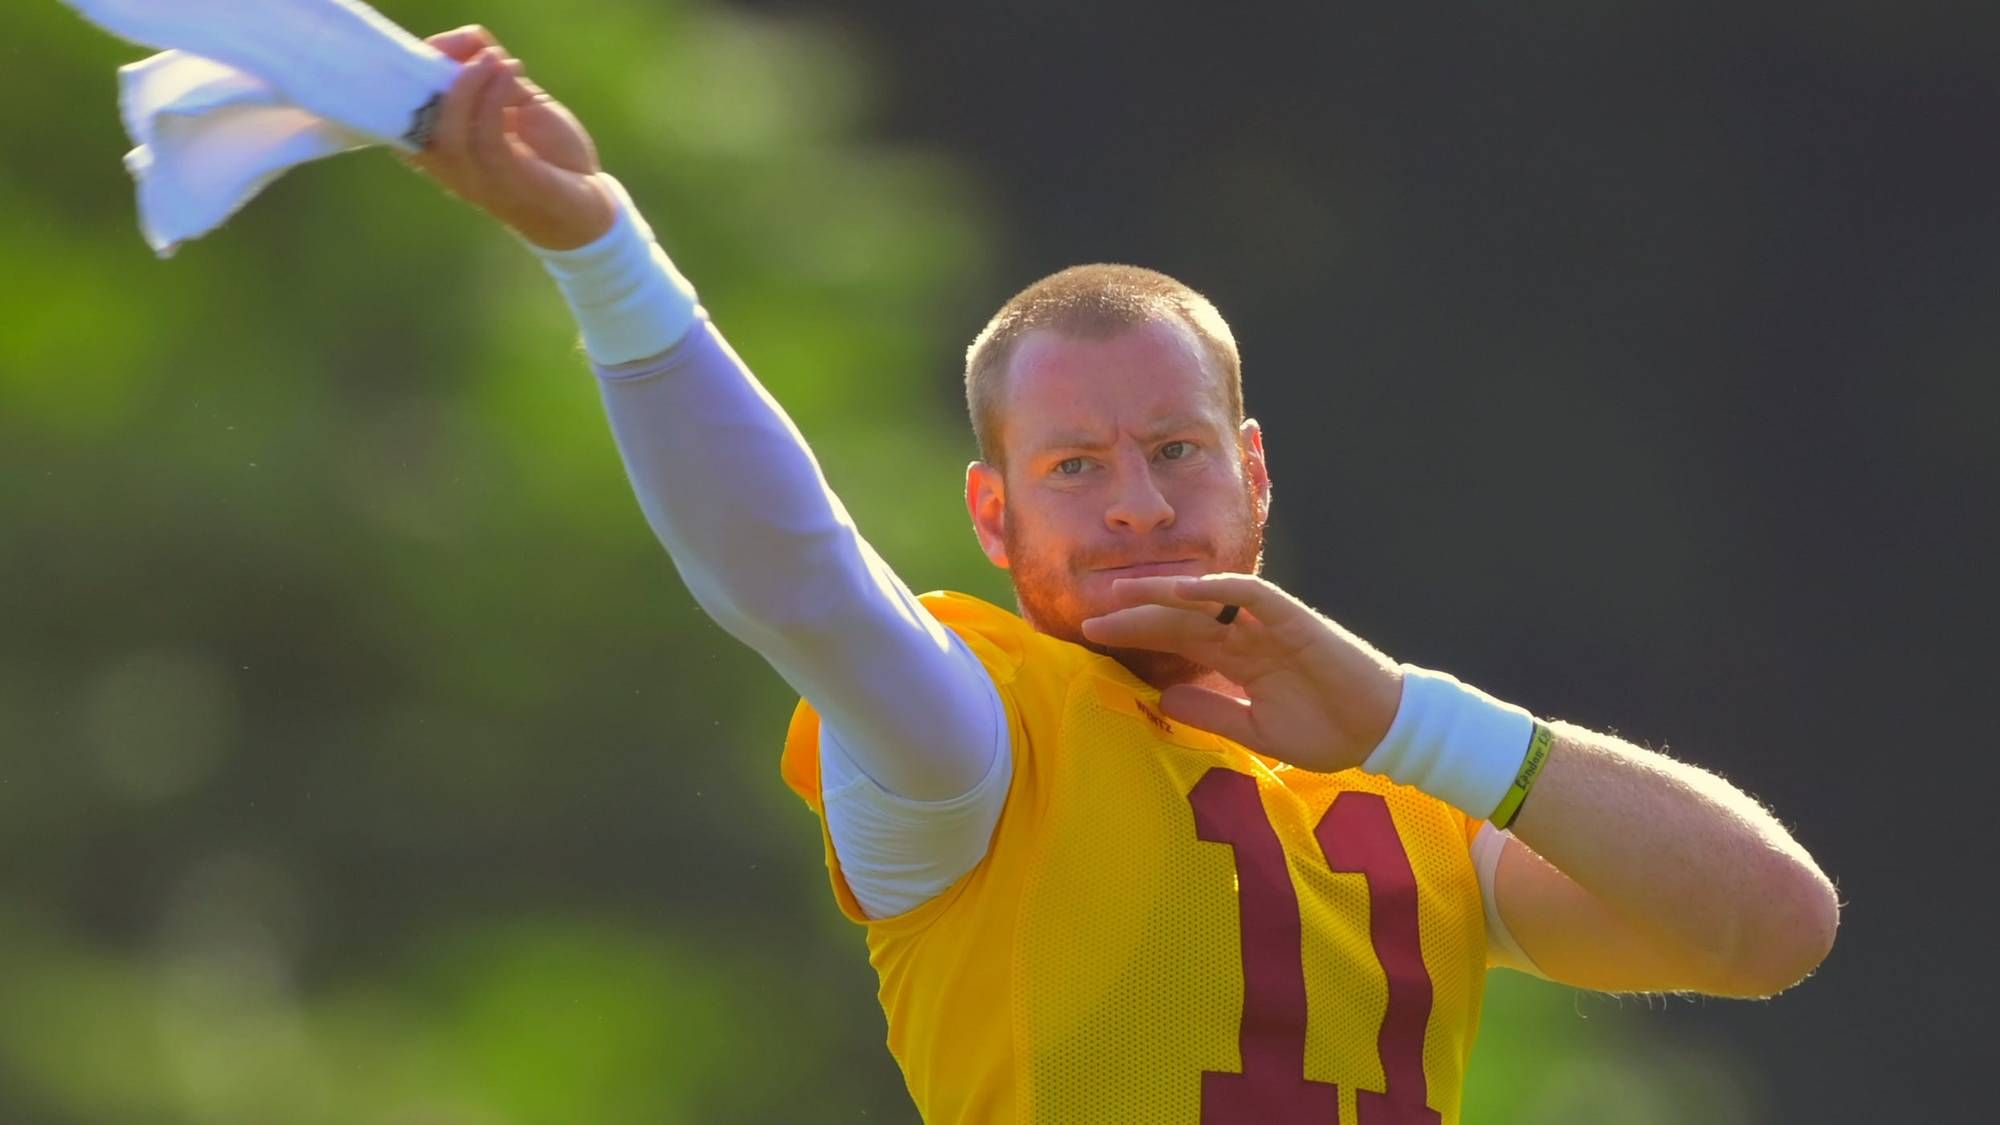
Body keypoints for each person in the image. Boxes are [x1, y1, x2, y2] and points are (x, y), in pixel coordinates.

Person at [402, 26, 1839, 1123]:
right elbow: (799, 581)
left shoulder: (1401, 776)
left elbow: (1775, 927)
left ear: (1254, 472)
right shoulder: (974, 740)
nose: (1139, 504)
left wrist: (1406, 718)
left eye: (1175, 450)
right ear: (993, 514)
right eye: (1075, 467)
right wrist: (602, 253)